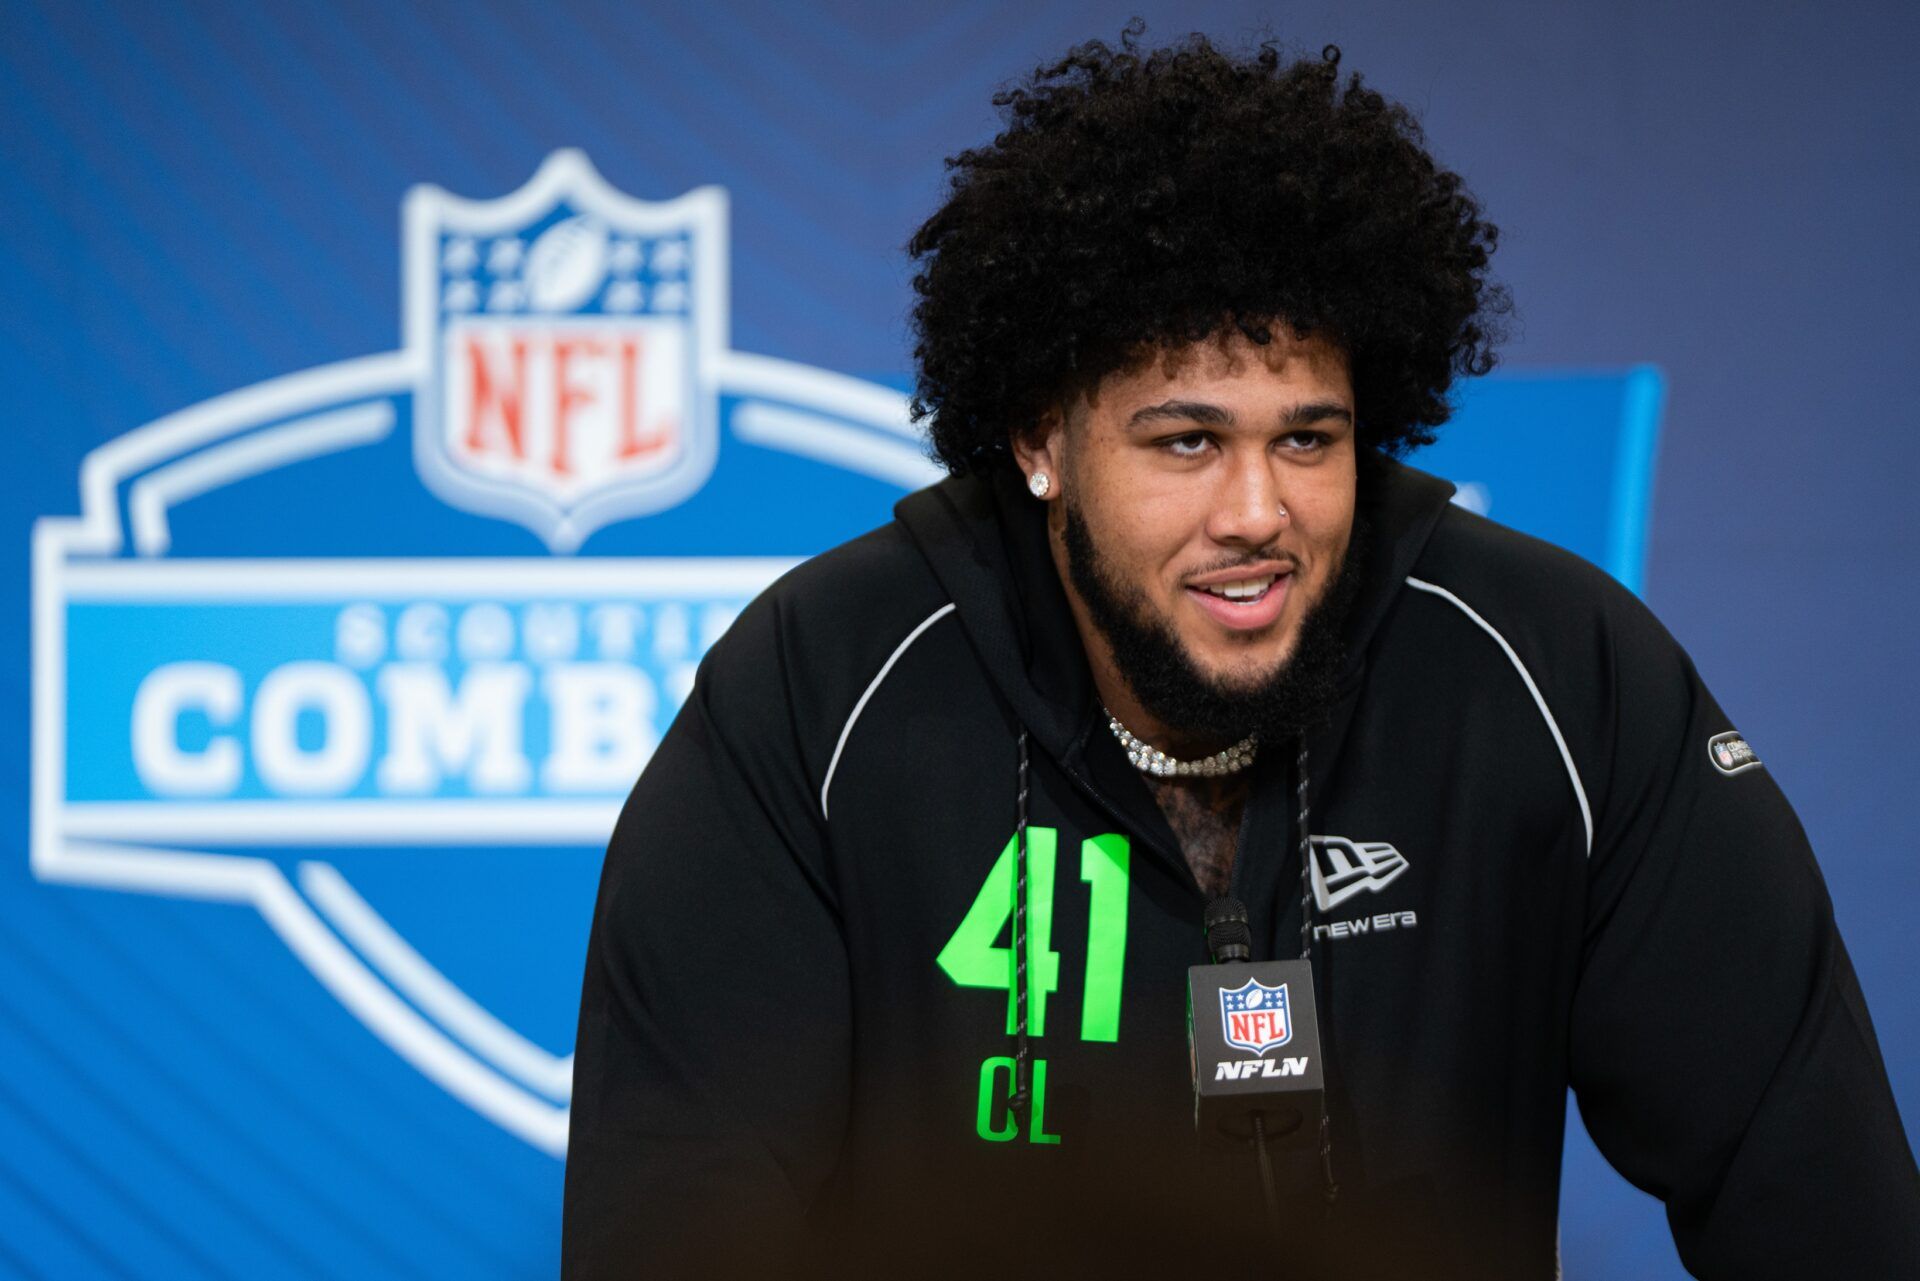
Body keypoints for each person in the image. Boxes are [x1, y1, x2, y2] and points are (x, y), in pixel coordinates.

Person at [561, 27, 1920, 1279]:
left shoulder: (1555, 674)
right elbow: (674, 1222)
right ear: (1042, 442)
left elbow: (1818, 1193)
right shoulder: (819, 692)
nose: (1258, 513)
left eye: (1308, 439)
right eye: (1187, 440)